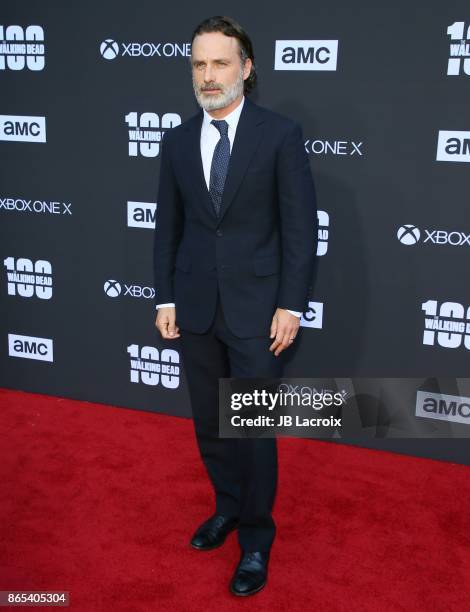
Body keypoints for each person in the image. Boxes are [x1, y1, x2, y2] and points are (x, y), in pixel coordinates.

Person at [153, 15, 317, 597]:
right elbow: (166, 228)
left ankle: (255, 538)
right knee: (211, 426)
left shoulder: (279, 135)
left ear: (246, 69)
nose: (208, 75)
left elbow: (300, 231)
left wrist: (291, 305)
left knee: (251, 429)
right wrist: (166, 295)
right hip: (195, 306)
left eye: (220, 62)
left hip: (257, 310)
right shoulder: (175, 140)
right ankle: (225, 508)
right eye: (199, 63)